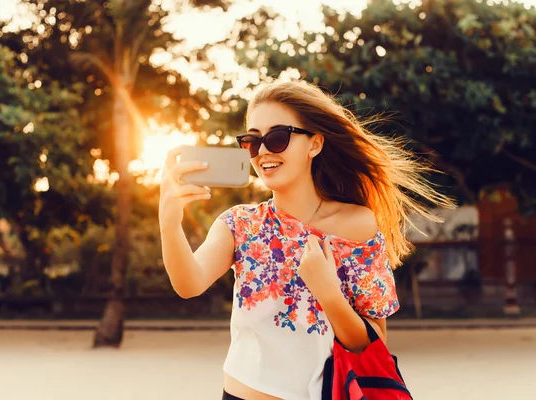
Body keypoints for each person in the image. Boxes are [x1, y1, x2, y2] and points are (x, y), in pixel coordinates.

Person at [159, 80, 454, 400]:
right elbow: (188, 284)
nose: (263, 152)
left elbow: (374, 345)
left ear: (315, 144)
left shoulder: (356, 225)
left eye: (277, 137)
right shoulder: (239, 224)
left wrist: (328, 292)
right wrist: (169, 222)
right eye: (253, 141)